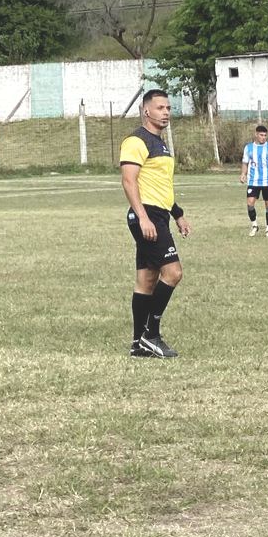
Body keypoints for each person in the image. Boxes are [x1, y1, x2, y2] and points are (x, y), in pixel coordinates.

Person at [120, 89, 189, 358]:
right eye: (161, 108)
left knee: (146, 280)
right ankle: (151, 334)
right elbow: (129, 181)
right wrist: (143, 217)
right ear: (146, 111)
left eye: (168, 108)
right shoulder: (136, 141)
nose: (166, 112)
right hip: (146, 216)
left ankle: (138, 344)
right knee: (173, 273)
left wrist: (177, 213)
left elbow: (162, 186)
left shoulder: (161, 145)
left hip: (159, 214)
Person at [239, 125, 268, 238]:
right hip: (253, 181)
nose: (263, 137)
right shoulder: (248, 148)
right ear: (256, 134)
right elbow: (245, 162)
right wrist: (243, 174)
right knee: (250, 204)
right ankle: (254, 226)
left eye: (265, 135)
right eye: (261, 135)